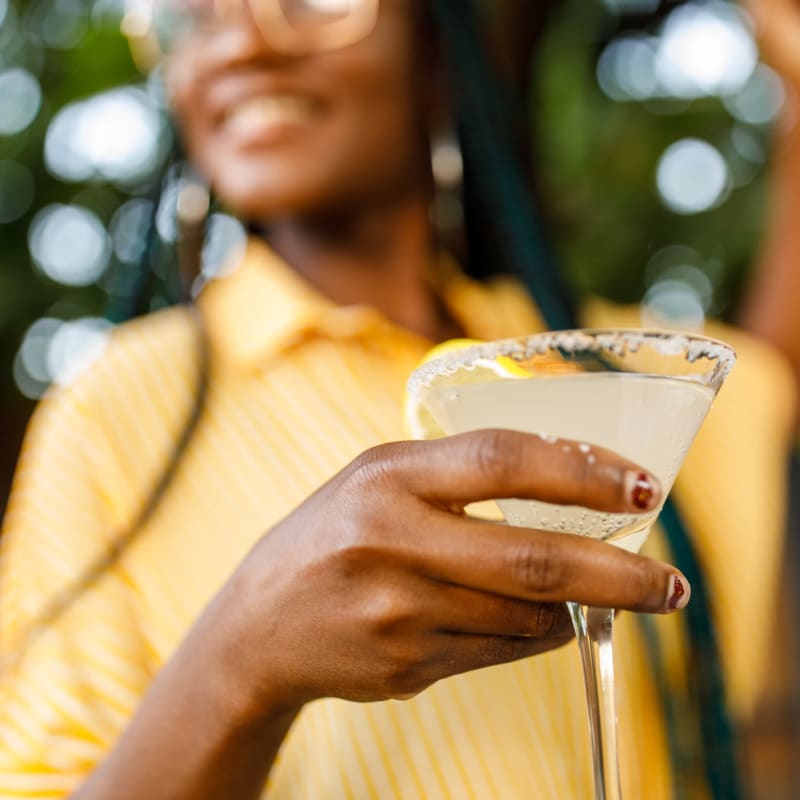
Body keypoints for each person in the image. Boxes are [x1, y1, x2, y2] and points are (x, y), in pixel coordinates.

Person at [0, 1, 794, 797]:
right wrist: (243, 660)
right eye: (193, 17)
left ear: (441, 49)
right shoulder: (113, 409)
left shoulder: (604, 368)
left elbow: (769, 374)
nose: (241, 41)